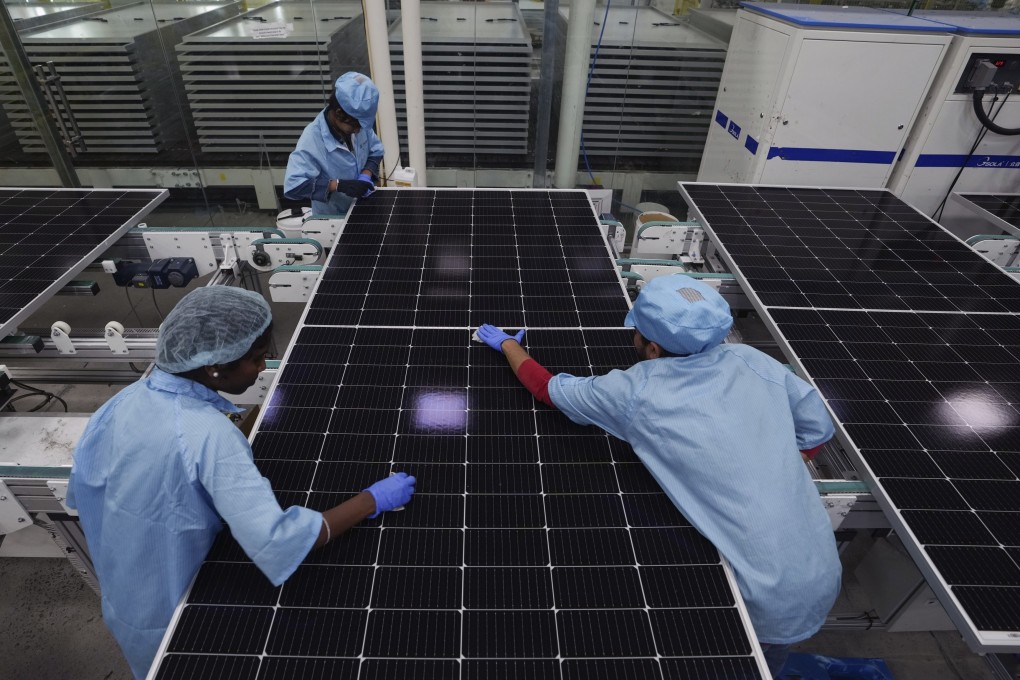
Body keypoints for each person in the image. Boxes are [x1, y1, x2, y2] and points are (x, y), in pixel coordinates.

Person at [476, 273, 841, 679]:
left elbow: (548, 389)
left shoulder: (637, 391)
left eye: (637, 332)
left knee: (738, 662)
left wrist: (508, 345)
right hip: (822, 569)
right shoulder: (750, 359)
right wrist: (766, 459)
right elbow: (817, 430)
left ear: (652, 348)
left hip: (758, 597)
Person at [66, 286, 415, 679]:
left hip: (124, 602)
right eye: (255, 358)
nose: (263, 367)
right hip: (176, 617)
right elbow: (279, 542)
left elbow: (82, 496)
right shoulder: (209, 436)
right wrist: (371, 500)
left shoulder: (119, 403)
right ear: (214, 367)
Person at [284, 71, 385, 216]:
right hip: (332, 217)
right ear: (338, 113)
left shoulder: (358, 123)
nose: (358, 131)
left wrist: (365, 175)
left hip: (362, 207)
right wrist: (337, 185)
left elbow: (376, 150)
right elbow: (293, 186)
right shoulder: (312, 139)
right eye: (355, 126)